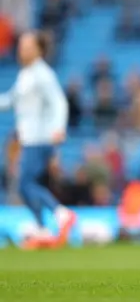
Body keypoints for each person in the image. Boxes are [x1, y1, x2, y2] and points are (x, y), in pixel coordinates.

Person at [0, 31, 76, 249]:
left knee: (26, 183)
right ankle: (42, 228)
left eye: (27, 45)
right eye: (21, 45)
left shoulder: (43, 74)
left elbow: (59, 102)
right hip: (28, 137)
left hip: (41, 137)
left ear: (39, 49)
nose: (21, 49)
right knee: (26, 185)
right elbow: (10, 100)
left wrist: (58, 128)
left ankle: (61, 214)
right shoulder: (26, 75)